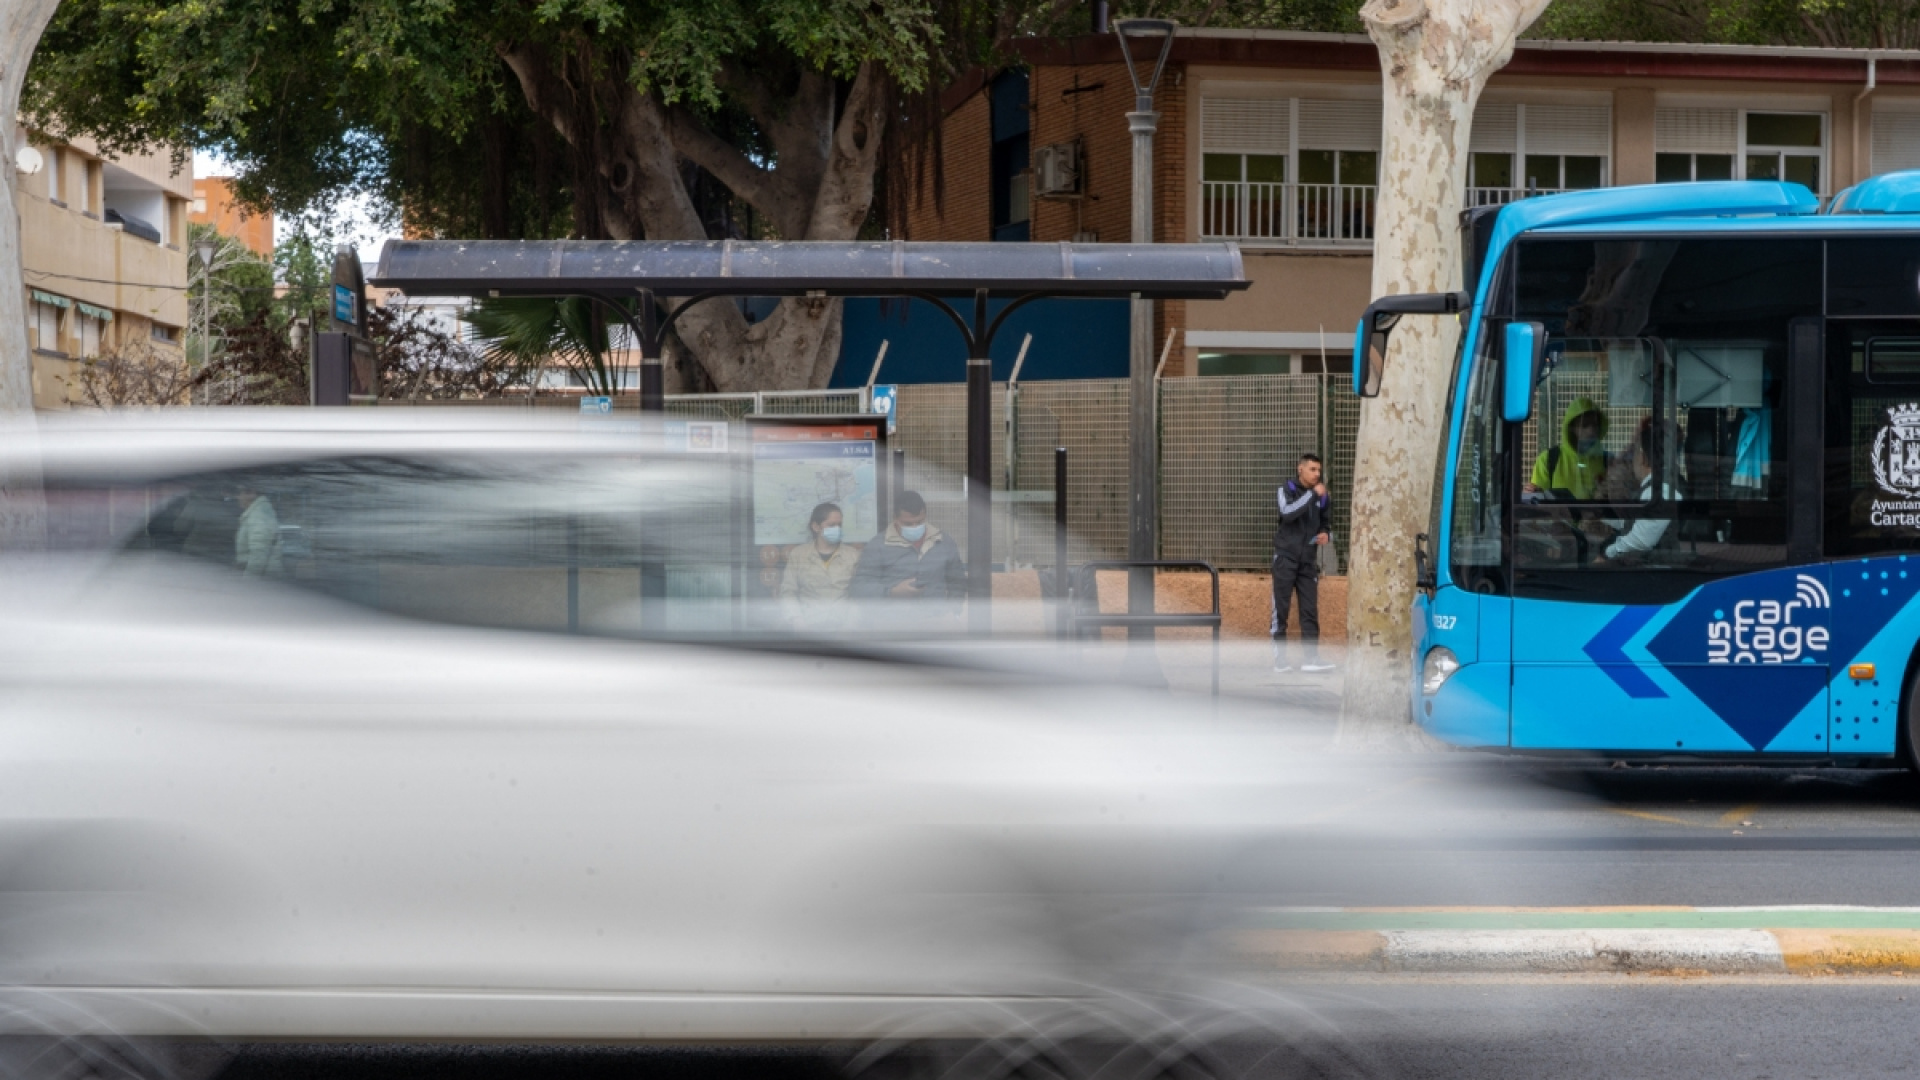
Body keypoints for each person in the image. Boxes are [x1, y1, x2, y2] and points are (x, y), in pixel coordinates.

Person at [849, 491, 966, 620]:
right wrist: (892, 592)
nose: (915, 527)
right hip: (892, 625)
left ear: (925, 515)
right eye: (908, 524)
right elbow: (860, 587)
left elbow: (957, 581)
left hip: (935, 622)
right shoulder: (877, 545)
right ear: (895, 518)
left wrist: (954, 611)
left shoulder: (943, 541)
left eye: (920, 522)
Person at [1271, 453, 1334, 674]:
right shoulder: (1286, 489)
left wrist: (1326, 534)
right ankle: (1280, 662)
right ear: (1301, 469)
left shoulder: (1323, 496)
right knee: (1281, 611)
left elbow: (1326, 523)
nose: (1317, 474)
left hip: (1308, 561)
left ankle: (1311, 659)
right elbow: (1287, 513)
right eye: (1313, 469)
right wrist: (1311, 495)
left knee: (1309, 611)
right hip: (1285, 559)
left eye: (1319, 470)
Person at [1595, 418, 1679, 565]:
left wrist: (1607, 554)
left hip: (1655, 570)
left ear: (1642, 458)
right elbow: (1637, 523)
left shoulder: (1661, 491)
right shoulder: (1653, 488)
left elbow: (1640, 542)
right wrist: (1600, 516)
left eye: (1634, 456)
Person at [779, 502, 860, 632]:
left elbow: (859, 595)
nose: (837, 529)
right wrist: (797, 621)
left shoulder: (853, 555)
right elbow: (788, 592)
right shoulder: (799, 554)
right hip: (808, 626)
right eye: (831, 525)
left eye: (839, 525)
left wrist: (851, 623)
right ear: (816, 527)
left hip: (843, 627)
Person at [1525, 397, 1609, 501]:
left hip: (1600, 517)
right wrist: (1534, 493)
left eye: (1595, 425)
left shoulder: (1608, 461)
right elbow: (1537, 501)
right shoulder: (1548, 460)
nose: (1591, 430)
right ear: (1572, 427)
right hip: (1560, 517)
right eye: (1584, 425)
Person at [233, 486, 284, 577]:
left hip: (262, 582)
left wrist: (248, 584)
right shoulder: (258, 513)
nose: (238, 498)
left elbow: (258, 555)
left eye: (240, 494)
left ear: (252, 494)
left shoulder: (258, 516)